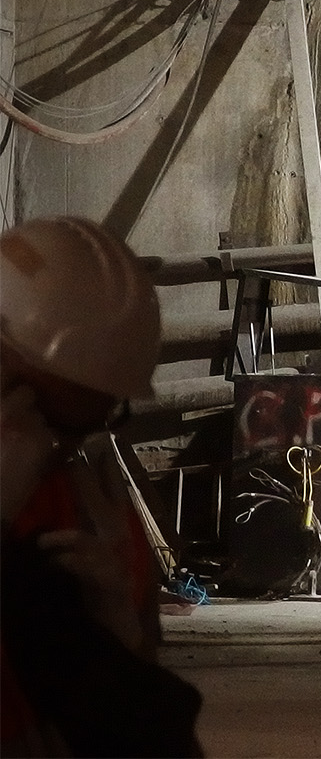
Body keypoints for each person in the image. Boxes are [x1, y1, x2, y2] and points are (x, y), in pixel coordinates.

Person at [1, 216, 203, 756]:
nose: (57, 450)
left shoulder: (94, 514)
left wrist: (120, 631)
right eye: (52, 417)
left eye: (93, 422)